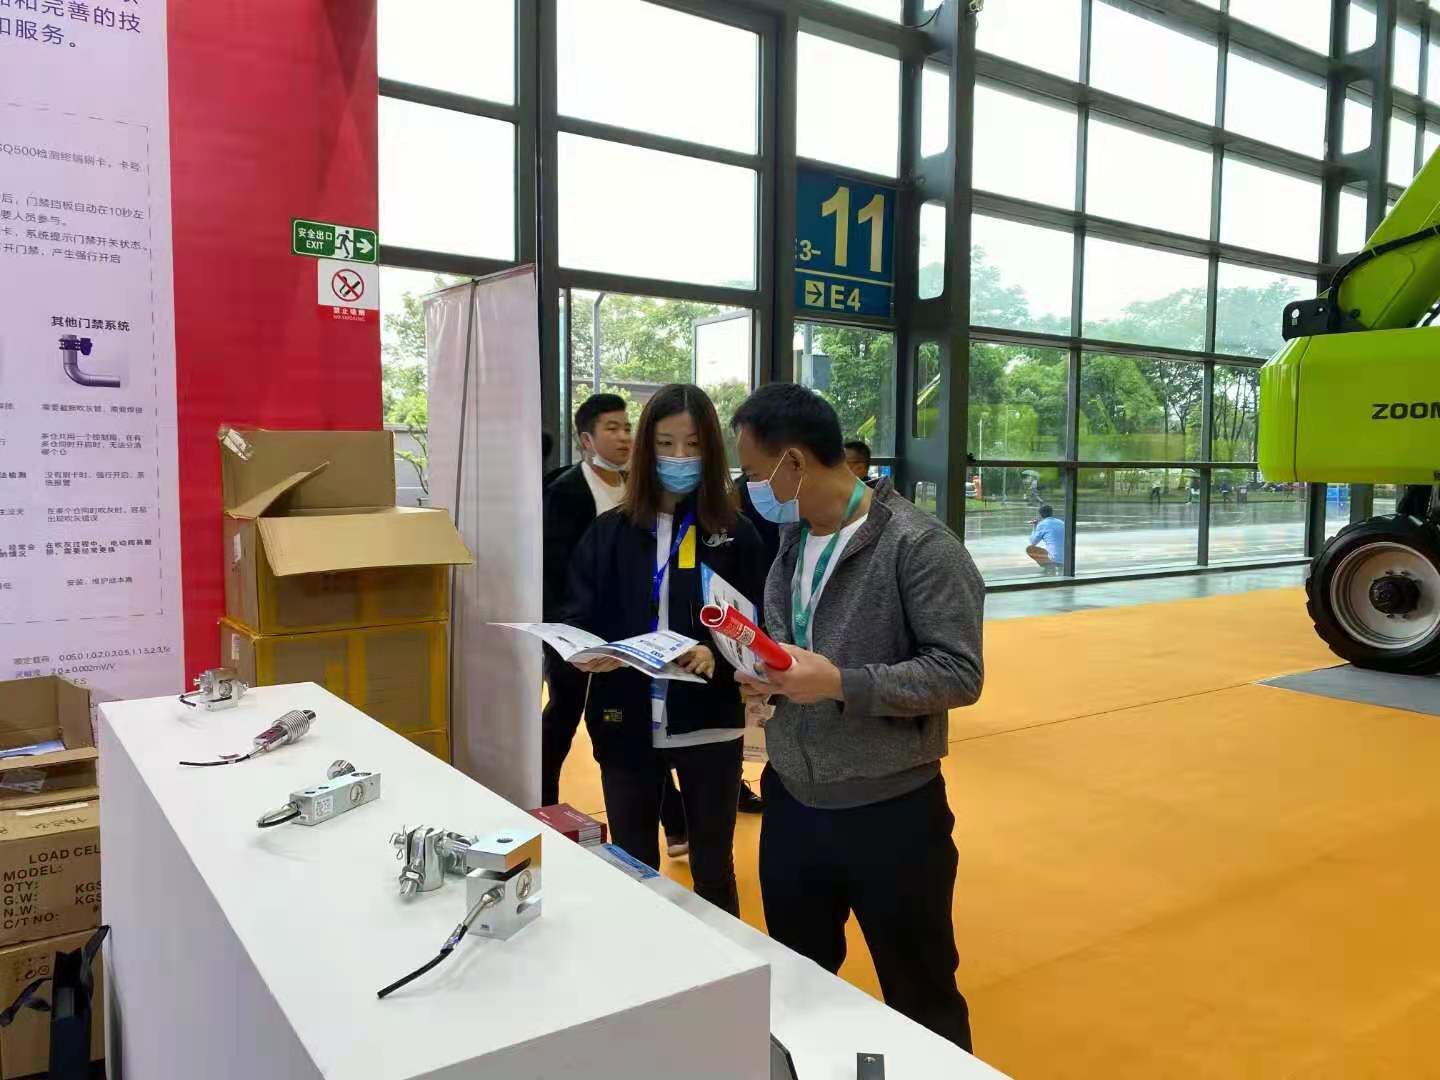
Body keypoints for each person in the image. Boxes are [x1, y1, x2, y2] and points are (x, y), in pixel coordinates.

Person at [731, 383, 983, 1052]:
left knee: (921, 993)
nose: (749, 489)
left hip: (892, 814)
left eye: (753, 473)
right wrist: (767, 673)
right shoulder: (791, 540)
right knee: (798, 987)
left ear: (793, 462)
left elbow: (960, 674)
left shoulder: (920, 546)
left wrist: (841, 684)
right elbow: (795, 644)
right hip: (793, 800)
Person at [563, 384, 769, 914]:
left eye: (693, 445)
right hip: (624, 716)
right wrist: (589, 651)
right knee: (632, 865)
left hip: (709, 722)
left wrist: (719, 653)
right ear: (645, 449)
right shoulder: (608, 533)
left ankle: (721, 957)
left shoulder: (736, 534)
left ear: (712, 451)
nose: (680, 457)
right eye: (665, 444)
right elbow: (577, 615)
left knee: (713, 867)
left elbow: (759, 626)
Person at [539, 394, 632, 807]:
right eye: (612, 428)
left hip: (627, 626)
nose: (624, 437)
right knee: (564, 714)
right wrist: (566, 636)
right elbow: (553, 570)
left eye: (627, 427)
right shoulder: (567, 492)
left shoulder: (635, 486)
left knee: (628, 720)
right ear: (586, 440)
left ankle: (672, 818)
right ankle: (543, 802)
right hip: (574, 629)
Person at [1026, 504, 1065, 575]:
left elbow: (1033, 542)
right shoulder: (1061, 522)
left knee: (1030, 549)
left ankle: (1049, 568)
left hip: (1054, 559)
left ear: (1040, 515)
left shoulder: (1042, 524)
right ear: (1052, 513)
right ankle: (1060, 567)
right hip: (1066, 559)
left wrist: (1035, 526)